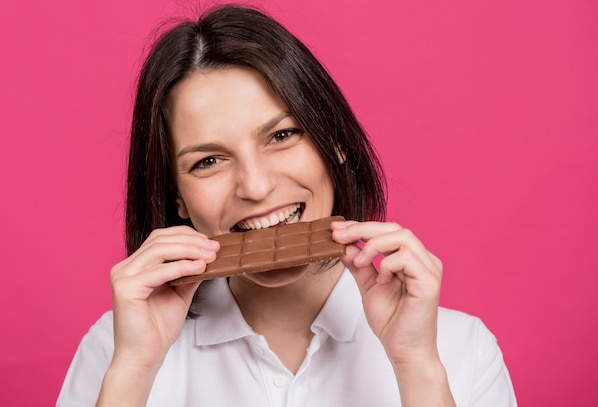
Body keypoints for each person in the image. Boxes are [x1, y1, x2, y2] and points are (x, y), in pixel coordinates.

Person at [57, 5, 516, 407]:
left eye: (281, 136)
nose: (255, 187)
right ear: (176, 195)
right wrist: (133, 372)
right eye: (209, 160)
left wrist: (416, 365)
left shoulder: (459, 349)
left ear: (333, 141)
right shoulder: (117, 350)